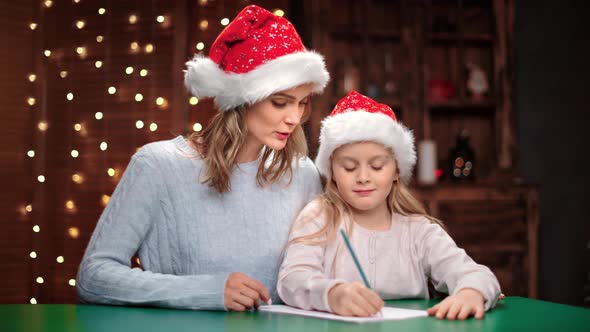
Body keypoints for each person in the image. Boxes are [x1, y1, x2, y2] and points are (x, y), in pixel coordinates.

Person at [77, 5, 329, 311]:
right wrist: (205, 290)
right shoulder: (158, 165)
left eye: (302, 103)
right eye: (280, 103)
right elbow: (94, 276)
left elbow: (318, 271)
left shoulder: (302, 173)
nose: (294, 118)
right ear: (242, 99)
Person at [277, 91, 501, 320]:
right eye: (349, 167)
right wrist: (332, 294)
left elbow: (475, 274)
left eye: (376, 166)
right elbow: (292, 279)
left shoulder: (419, 230)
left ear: (396, 171)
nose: (363, 177)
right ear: (332, 172)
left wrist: (472, 292)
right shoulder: (319, 218)